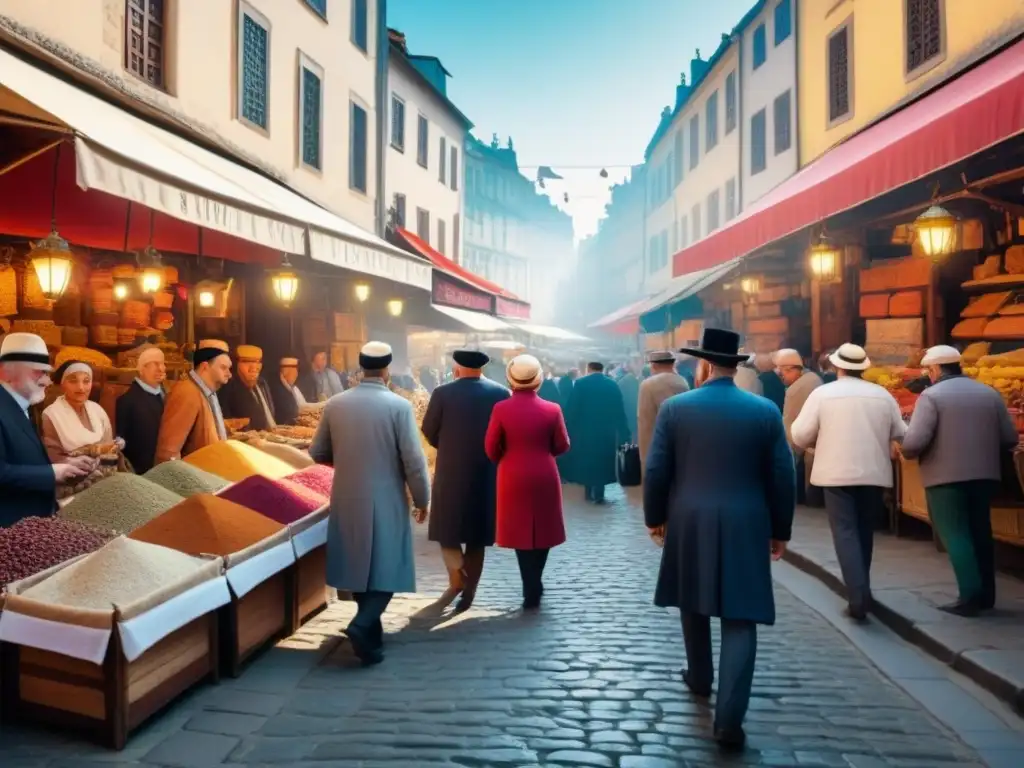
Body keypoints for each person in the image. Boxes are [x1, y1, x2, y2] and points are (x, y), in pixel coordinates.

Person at [643, 328, 795, 750]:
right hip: (747, 519)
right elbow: (784, 475)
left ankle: (699, 675)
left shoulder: (675, 409)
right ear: (734, 365)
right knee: (740, 616)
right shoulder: (764, 411)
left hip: (689, 515)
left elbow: (656, 470)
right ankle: (728, 720)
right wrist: (780, 529)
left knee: (693, 598)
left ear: (704, 364)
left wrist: (655, 518)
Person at [309, 341, 430, 665]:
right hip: (387, 494)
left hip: (347, 493)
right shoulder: (398, 406)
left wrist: (347, 459)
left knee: (360, 564)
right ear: (387, 370)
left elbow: (317, 451)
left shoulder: (336, 404)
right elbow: (414, 462)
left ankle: (370, 638)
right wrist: (422, 498)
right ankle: (362, 624)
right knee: (387, 564)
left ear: (361, 369)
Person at [791, 342, 907, 621]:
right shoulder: (882, 395)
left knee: (845, 532)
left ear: (838, 366)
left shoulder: (823, 394)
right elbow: (902, 433)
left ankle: (857, 596)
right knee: (864, 532)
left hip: (835, 472)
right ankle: (862, 590)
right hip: (873, 472)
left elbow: (800, 435)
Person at [900, 345, 1017, 616]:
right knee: (980, 532)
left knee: (956, 534)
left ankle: (969, 596)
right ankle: (987, 595)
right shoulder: (989, 393)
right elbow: (1010, 438)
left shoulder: (931, 396)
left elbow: (914, 442)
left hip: (945, 478)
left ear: (935, 369)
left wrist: (905, 447)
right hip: (986, 475)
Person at [421, 349, 510, 612]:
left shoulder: (442, 393)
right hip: (486, 470)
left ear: (457, 367)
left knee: (445, 528)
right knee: (477, 535)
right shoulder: (500, 393)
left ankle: (457, 575)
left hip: (451, 470)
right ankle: (469, 592)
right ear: (481, 368)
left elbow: (428, 430)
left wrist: (447, 445)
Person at [485, 354, 570, 609]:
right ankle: (535, 581)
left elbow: (490, 447)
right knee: (543, 530)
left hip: (512, 473)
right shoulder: (553, 409)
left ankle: (529, 585)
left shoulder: (501, 408)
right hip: (544, 471)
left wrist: (506, 457)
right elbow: (563, 444)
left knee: (521, 532)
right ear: (538, 380)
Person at [0, 333, 93, 525]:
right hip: (9, 532)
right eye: (38, 372)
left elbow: (20, 457)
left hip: (29, 526)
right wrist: (53, 473)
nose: (47, 381)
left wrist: (65, 464)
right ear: (6, 372)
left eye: (47, 373)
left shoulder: (20, 406)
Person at [41, 361, 121, 497]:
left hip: (104, 480)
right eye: (73, 381)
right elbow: (52, 456)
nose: (81, 387)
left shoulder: (98, 410)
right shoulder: (51, 415)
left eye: (86, 381)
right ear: (62, 384)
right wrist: (74, 462)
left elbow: (109, 448)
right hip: (70, 486)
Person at [155, 340, 232, 463]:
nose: (229, 374)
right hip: (196, 478)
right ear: (204, 367)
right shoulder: (187, 392)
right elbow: (168, 453)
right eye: (223, 368)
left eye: (229, 368)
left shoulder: (208, 392)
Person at [566, 361, 629, 503]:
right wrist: (624, 432)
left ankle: (588, 492)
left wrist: (570, 429)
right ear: (602, 369)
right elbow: (619, 411)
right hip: (606, 431)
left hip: (585, 431)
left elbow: (572, 409)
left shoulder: (581, 384)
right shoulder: (612, 385)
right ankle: (600, 494)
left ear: (588, 369)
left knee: (588, 460)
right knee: (602, 461)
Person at [775, 349, 823, 501]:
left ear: (791, 369)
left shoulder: (796, 389)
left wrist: (788, 450)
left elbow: (788, 421)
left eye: (782, 374)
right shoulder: (813, 378)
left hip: (805, 444)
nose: (782, 378)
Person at [115, 346, 166, 474]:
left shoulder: (166, 395)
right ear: (142, 369)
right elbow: (122, 444)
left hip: (166, 467)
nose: (161, 368)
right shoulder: (127, 401)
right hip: (142, 473)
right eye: (155, 364)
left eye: (162, 363)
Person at [637, 350, 689, 472]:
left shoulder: (647, 385)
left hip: (657, 449)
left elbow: (645, 421)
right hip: (680, 446)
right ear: (672, 364)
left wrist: (644, 458)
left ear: (654, 365)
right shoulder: (682, 382)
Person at [220, 345, 277, 431]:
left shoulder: (262, 384)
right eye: (246, 362)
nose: (253, 368)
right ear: (237, 364)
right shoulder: (228, 387)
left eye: (258, 362)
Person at [267, 357, 305, 427]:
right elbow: (288, 414)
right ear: (287, 371)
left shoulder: (290, 386)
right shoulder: (275, 388)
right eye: (295, 370)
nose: (297, 374)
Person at [618, 359, 641, 444]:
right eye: (636, 362)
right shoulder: (624, 382)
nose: (639, 365)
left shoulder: (643, 380)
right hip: (632, 421)